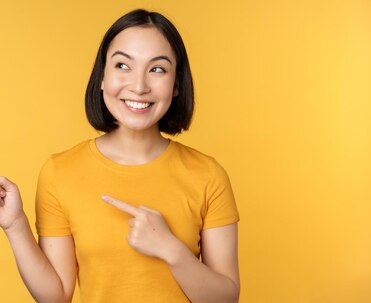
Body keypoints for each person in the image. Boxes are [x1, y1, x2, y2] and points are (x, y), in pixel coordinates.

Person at [0, 9, 240, 303]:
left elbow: (225, 299)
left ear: (176, 85)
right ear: (102, 78)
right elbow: (56, 296)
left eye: (157, 69)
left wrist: (171, 249)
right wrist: (15, 225)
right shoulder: (59, 172)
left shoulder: (207, 174)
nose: (139, 86)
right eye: (123, 65)